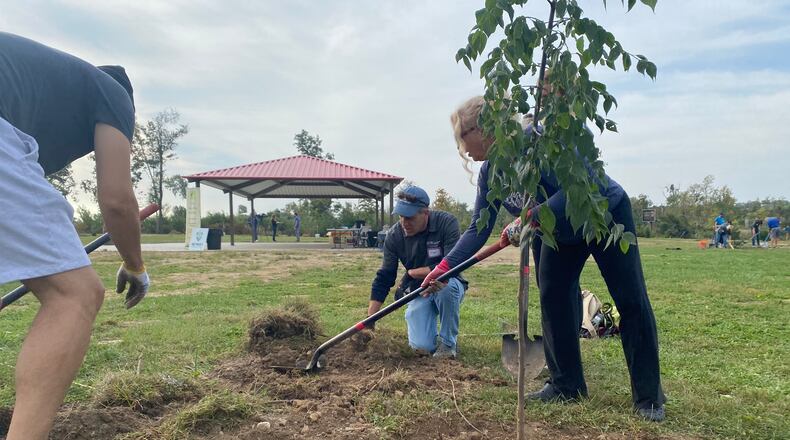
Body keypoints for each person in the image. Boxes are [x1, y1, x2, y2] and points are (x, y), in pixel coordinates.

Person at [422, 95, 666, 422]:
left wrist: (529, 217)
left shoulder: (540, 141)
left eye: (463, 139)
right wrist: (444, 269)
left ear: (484, 129)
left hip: (601, 214)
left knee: (630, 299)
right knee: (553, 298)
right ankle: (566, 385)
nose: (464, 150)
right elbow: (478, 228)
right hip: (555, 232)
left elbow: (580, 187)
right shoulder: (491, 173)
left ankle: (649, 397)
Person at [0, 32, 149, 439]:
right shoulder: (113, 94)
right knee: (74, 293)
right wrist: (136, 265)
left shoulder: (40, 88)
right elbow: (118, 200)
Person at [368, 186, 468, 358]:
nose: (404, 223)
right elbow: (385, 276)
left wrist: (415, 272)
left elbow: (454, 262)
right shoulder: (394, 236)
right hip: (419, 290)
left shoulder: (447, 223)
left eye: (410, 217)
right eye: (401, 217)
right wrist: (370, 320)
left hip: (447, 281)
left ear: (426, 213)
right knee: (421, 348)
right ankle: (431, 341)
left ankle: (448, 345)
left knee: (447, 289)